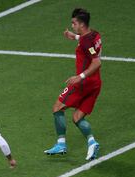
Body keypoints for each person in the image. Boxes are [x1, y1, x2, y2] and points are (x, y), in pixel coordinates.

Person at [44, 8, 102, 160]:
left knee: (57, 107)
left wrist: (80, 77)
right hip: (96, 83)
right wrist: (75, 36)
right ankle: (92, 142)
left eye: (74, 23)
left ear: (82, 24)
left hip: (83, 83)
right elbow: (88, 45)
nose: (72, 25)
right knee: (77, 117)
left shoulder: (86, 41)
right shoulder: (95, 35)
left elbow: (96, 62)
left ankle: (61, 144)